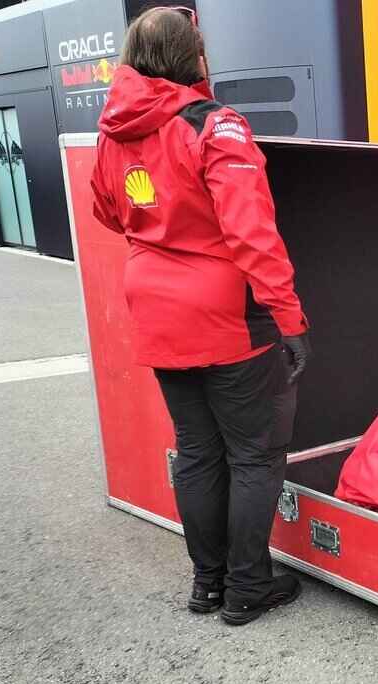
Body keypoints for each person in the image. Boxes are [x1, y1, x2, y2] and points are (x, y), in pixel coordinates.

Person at [91, 7, 309, 623]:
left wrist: (159, 231)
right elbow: (253, 236)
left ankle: (207, 585)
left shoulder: (113, 133)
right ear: (192, 57)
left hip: (156, 311)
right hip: (227, 317)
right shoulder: (215, 127)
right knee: (254, 454)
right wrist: (289, 320)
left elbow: (110, 212)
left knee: (196, 451)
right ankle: (247, 587)